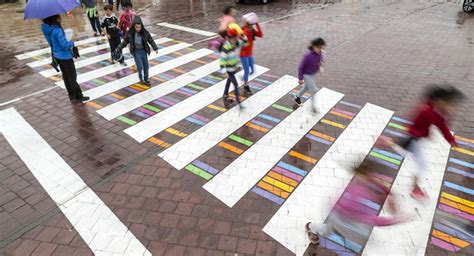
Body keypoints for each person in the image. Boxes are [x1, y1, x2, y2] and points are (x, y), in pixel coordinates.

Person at [385, 85, 464, 201]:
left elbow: (442, 126)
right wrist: (423, 133)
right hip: (414, 138)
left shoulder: (434, 111)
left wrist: (451, 140)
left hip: (416, 138)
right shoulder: (427, 112)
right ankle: (415, 189)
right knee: (421, 164)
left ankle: (388, 141)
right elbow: (417, 124)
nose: (450, 106)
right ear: (438, 101)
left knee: (404, 150)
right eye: (447, 103)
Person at [305, 160, 407, 245]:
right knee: (330, 230)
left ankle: (313, 227)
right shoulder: (357, 194)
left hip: (345, 212)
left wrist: (389, 195)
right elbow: (368, 218)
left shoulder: (367, 179)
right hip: (341, 214)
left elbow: (380, 183)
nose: (372, 178)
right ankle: (311, 227)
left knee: (335, 230)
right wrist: (392, 221)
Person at [41, 15, 89, 103]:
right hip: (65, 56)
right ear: (55, 18)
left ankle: (71, 94)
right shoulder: (57, 30)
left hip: (57, 55)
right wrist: (72, 42)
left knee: (66, 76)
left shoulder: (48, 29)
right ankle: (78, 95)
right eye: (58, 16)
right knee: (72, 77)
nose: (60, 17)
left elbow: (52, 43)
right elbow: (64, 45)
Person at [117, 16, 158, 85]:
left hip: (144, 51)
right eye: (136, 27)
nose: (138, 28)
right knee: (140, 66)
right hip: (136, 52)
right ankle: (141, 78)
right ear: (133, 26)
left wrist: (155, 48)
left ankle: (146, 78)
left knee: (146, 66)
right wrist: (119, 47)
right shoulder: (130, 33)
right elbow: (125, 42)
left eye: (140, 27)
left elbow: (150, 40)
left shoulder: (145, 32)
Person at [294, 38, 326, 113]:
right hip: (306, 75)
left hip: (313, 74)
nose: (320, 49)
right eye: (318, 47)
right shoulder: (307, 55)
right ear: (314, 46)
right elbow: (300, 67)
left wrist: (320, 67)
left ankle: (297, 97)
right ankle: (313, 107)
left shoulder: (321, 53)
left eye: (321, 47)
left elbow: (320, 62)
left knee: (306, 87)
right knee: (314, 90)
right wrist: (300, 78)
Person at [220, 28, 248, 107]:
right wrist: (224, 72)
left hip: (233, 68)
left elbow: (245, 43)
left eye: (236, 38)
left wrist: (243, 36)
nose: (236, 40)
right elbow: (222, 61)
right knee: (235, 84)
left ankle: (225, 94)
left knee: (229, 81)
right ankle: (239, 102)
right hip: (229, 69)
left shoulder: (235, 43)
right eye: (234, 38)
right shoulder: (225, 48)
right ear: (228, 38)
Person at [240, 13, 263, 95]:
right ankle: (246, 86)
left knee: (252, 71)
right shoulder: (244, 31)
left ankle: (244, 79)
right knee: (246, 71)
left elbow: (261, 35)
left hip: (249, 54)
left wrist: (257, 23)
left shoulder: (252, 30)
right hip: (243, 55)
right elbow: (242, 43)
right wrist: (243, 36)